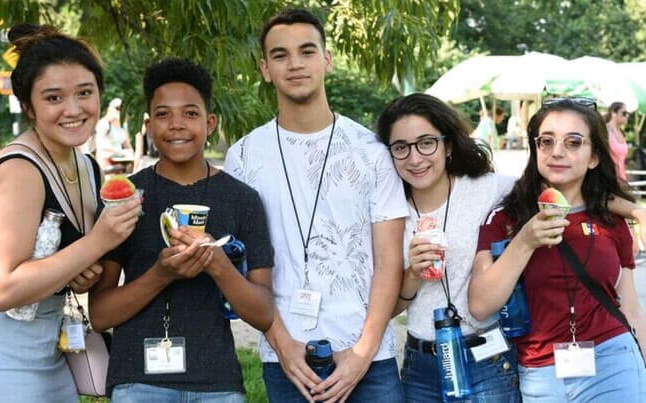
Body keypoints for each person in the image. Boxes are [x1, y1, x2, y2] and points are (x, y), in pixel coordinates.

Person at [0, 23, 142, 403]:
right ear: (29, 107)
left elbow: (59, 262)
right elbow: (3, 287)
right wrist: (98, 242)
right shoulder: (20, 172)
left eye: (85, 93)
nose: (73, 109)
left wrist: (80, 274)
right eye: (54, 98)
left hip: (46, 347)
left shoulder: (87, 166)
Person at [224, 8, 408, 402]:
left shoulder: (372, 153)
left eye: (307, 51)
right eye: (280, 55)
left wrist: (362, 352)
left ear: (327, 60)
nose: (295, 64)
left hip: (368, 358)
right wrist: (280, 343)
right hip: (287, 358)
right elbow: (242, 268)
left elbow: (389, 261)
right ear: (265, 69)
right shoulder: (243, 156)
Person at [88, 57, 275, 402]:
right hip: (137, 381)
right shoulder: (125, 199)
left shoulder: (242, 199)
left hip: (217, 383)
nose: (176, 125)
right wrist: (161, 274)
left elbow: (263, 313)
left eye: (190, 113)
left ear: (210, 122)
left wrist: (217, 264)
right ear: (147, 124)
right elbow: (99, 315)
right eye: (163, 114)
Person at [469, 97, 646, 401]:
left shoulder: (611, 220)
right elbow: (480, 305)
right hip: (538, 372)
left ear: (594, 157)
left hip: (611, 359)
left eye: (574, 142)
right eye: (546, 141)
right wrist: (524, 242)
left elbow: (630, 307)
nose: (558, 152)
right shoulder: (506, 218)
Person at [376, 93, 521, 402]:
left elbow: (555, 188)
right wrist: (412, 274)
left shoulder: (488, 189)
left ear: (449, 145)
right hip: (421, 366)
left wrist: (634, 211)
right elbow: (388, 310)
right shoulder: (388, 213)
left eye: (426, 142)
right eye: (401, 148)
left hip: (487, 358)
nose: (415, 159)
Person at [95, 97, 133, 174]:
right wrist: (120, 151)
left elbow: (127, 144)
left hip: (121, 161)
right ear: (110, 109)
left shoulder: (123, 125)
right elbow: (100, 145)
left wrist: (132, 154)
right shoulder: (104, 124)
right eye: (117, 108)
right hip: (106, 162)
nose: (119, 111)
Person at [604, 101, 630, 182]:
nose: (627, 116)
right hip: (608, 178)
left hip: (621, 178)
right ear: (613, 113)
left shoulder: (621, 132)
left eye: (627, 113)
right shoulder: (605, 130)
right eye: (624, 113)